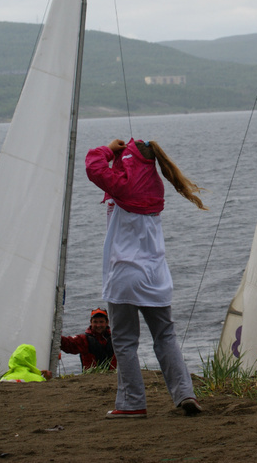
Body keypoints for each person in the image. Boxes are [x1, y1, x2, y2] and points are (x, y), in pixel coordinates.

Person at [86, 138, 207, 419]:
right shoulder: (155, 185)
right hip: (156, 276)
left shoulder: (121, 185)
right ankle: (185, 393)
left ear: (126, 161)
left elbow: (93, 165)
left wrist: (109, 149)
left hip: (125, 276)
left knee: (126, 341)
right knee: (166, 336)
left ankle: (132, 404)